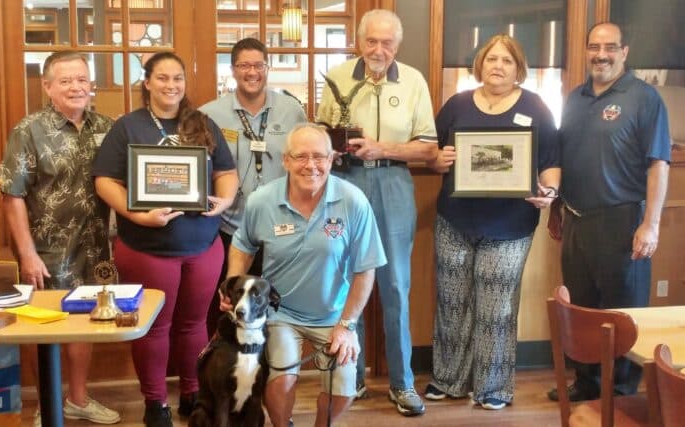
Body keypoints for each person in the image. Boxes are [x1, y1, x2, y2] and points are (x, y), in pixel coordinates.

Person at [92, 52, 238, 427]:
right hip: (146, 248)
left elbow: (226, 171)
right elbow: (105, 180)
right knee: (154, 326)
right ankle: (155, 403)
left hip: (203, 245)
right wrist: (137, 214)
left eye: (178, 78)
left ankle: (192, 393)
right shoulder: (127, 127)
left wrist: (225, 199)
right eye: (162, 78)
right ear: (147, 82)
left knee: (194, 324)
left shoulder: (202, 124)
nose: (171, 85)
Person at [424, 34, 560, 410]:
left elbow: (551, 162)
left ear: (519, 68)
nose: (497, 66)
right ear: (479, 64)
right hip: (455, 220)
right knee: (451, 302)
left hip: (510, 225)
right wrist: (438, 160)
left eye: (506, 60)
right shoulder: (457, 105)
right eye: (491, 59)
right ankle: (449, 379)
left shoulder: (536, 107)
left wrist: (549, 192)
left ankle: (493, 388)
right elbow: (432, 154)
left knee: (496, 308)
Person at [223, 123, 386, 427]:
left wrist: (347, 326)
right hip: (280, 312)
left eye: (319, 157)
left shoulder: (353, 201)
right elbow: (242, 247)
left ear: (332, 158)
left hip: (336, 315)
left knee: (344, 390)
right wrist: (232, 288)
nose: (311, 165)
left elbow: (366, 269)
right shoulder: (262, 200)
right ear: (285, 160)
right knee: (281, 381)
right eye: (301, 157)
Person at [316, 9, 437, 416]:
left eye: (387, 42)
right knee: (343, 281)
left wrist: (381, 148)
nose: (379, 50)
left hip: (393, 183)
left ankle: (402, 383)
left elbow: (428, 148)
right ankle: (352, 376)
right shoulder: (336, 78)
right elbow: (321, 135)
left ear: (397, 45)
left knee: (396, 286)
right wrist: (329, 151)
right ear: (359, 41)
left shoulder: (415, 80)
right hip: (345, 182)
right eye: (372, 41)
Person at [547, 22, 671, 402]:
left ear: (624, 52)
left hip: (622, 221)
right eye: (594, 47)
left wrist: (650, 224)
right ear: (586, 50)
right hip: (576, 220)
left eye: (610, 47)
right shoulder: (575, 97)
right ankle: (586, 383)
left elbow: (658, 164)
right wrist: (556, 207)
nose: (601, 54)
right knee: (583, 309)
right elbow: (563, 156)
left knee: (622, 312)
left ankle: (620, 392)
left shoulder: (644, 98)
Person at [0, 51, 121, 426]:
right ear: (47, 86)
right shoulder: (28, 130)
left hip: (98, 247)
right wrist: (27, 253)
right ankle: (46, 404)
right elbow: (11, 194)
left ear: (91, 85)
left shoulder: (108, 127)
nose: (75, 87)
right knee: (44, 325)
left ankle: (78, 399)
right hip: (48, 249)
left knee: (88, 321)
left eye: (82, 79)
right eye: (65, 80)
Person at [199, 37, 307, 337]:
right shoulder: (209, 114)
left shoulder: (291, 110)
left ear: (267, 68)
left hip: (280, 226)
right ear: (233, 70)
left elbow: (304, 158)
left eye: (258, 65)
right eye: (244, 65)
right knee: (224, 306)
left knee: (274, 307)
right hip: (228, 227)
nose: (252, 72)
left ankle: (270, 374)